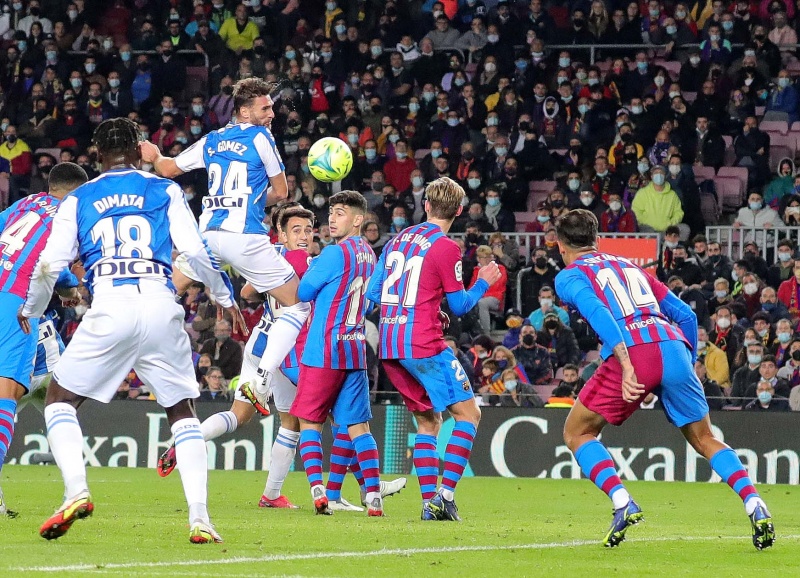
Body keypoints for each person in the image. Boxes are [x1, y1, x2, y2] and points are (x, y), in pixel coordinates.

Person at [18, 118, 244, 544]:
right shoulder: (165, 189)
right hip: (160, 305)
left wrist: (31, 307)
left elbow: (49, 265)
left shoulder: (78, 198)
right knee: (182, 412)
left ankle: (76, 491)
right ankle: (200, 518)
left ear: (97, 154)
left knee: (59, 400)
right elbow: (196, 252)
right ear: (140, 149)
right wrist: (224, 297)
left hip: (110, 306)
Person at [554, 209, 773, 550]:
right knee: (705, 438)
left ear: (560, 246)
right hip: (672, 346)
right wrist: (686, 364)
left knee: (577, 432)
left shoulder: (569, 276)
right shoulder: (629, 266)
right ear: (597, 240)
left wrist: (626, 363)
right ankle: (755, 502)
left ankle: (622, 501)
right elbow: (685, 314)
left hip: (632, 352)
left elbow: (598, 312)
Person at [140, 78, 311, 414]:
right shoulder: (260, 136)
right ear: (244, 112)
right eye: (265, 108)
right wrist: (251, 201)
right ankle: (261, 382)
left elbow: (167, 168)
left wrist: (154, 154)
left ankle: (142, 347)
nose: (271, 114)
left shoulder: (212, 139)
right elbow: (282, 192)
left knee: (167, 291)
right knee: (298, 306)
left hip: (207, 237)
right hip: (243, 237)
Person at [366, 176, 502, 522]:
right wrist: (483, 282)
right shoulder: (446, 247)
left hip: (391, 345)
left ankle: (430, 505)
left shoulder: (396, 240)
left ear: (425, 205)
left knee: (428, 422)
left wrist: (421, 306)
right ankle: (445, 496)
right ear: (459, 210)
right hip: (422, 342)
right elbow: (460, 306)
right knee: (469, 414)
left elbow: (373, 293)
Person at [289, 191, 385, 517]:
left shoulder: (333, 254)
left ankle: (319, 491)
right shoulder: (369, 254)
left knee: (310, 422)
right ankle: (374, 496)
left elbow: (303, 292)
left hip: (323, 349)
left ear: (358, 219)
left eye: (340, 213)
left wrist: (312, 267)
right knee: (359, 427)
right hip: (355, 349)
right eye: (331, 212)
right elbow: (370, 302)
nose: (332, 218)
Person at [0, 163, 87, 516]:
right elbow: (54, 268)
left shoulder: (24, 204)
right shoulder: (67, 218)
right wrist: (71, 290)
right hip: (17, 304)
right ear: (77, 193)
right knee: (7, 394)